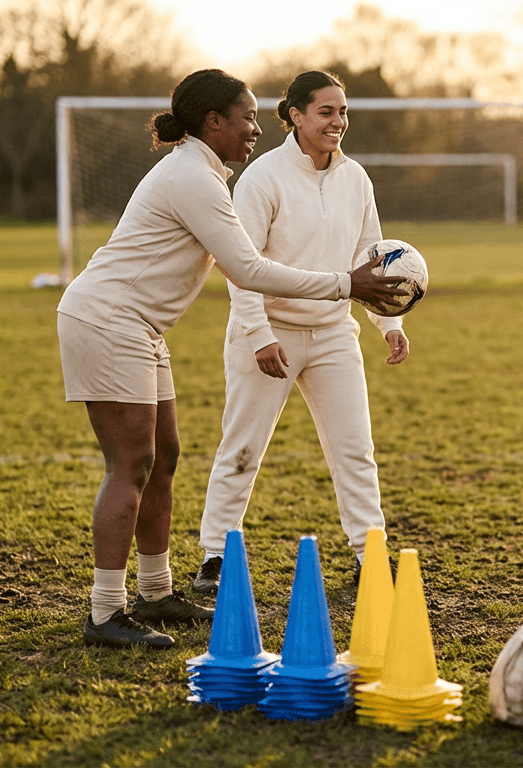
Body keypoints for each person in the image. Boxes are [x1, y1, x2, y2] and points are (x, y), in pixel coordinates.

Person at [56, 69, 406, 649]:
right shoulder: (195, 178)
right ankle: (105, 611)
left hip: (140, 326)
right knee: (132, 463)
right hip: (108, 319)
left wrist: (378, 311)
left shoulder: (206, 173)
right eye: (247, 118)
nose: (255, 129)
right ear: (213, 121)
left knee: (164, 457)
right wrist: (346, 284)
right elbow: (247, 271)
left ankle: (156, 592)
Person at [193, 70, 406, 593]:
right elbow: (240, 266)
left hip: (334, 333)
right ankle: (216, 557)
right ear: (295, 115)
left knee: (355, 449)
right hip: (270, 334)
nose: (338, 122)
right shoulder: (262, 177)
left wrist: (388, 322)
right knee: (242, 448)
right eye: (326, 112)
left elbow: (371, 256)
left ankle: (370, 555)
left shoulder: (356, 178)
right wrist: (258, 334)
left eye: (343, 112)